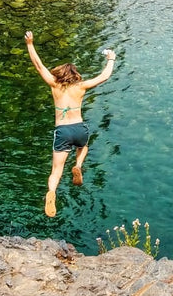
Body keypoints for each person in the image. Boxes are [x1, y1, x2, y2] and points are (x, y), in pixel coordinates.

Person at [25, 30, 116, 217]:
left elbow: (39, 66)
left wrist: (30, 44)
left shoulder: (54, 85)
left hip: (63, 131)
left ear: (60, 74)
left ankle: (51, 192)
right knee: (83, 147)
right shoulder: (81, 87)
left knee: (56, 170)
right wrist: (111, 59)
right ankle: (78, 165)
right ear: (75, 75)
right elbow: (103, 77)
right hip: (79, 129)